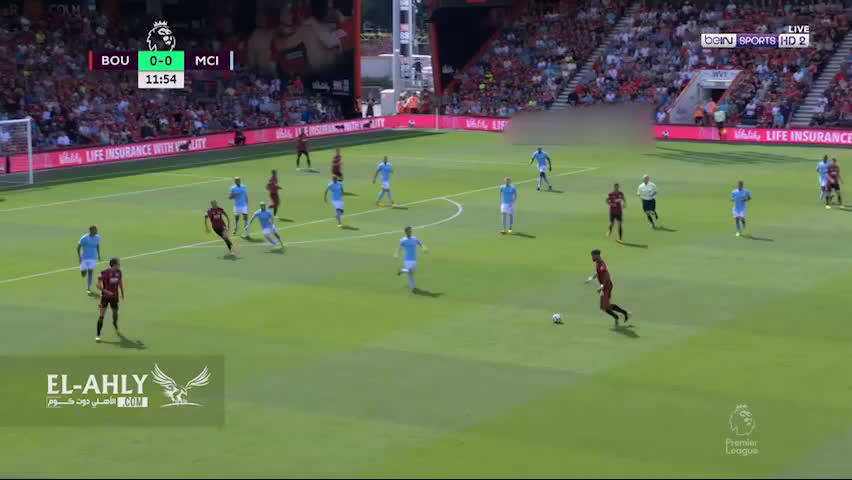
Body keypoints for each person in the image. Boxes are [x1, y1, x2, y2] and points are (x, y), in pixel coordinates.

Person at [586, 249, 630, 327]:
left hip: (607, 286)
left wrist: (602, 285)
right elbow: (598, 272)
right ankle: (621, 314)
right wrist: (592, 278)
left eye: (593, 256)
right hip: (605, 286)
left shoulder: (602, 264)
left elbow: (607, 275)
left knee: (605, 306)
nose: (592, 258)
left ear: (597, 255)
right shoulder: (598, 263)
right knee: (604, 307)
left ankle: (620, 315)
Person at [95, 257, 124, 342]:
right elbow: (97, 284)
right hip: (105, 297)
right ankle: (98, 335)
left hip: (114, 297)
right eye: (118, 264)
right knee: (101, 316)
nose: (119, 265)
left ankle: (114, 322)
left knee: (115, 313)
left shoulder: (119, 272)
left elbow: (120, 283)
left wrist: (122, 293)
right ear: (114, 265)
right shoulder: (104, 273)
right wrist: (105, 291)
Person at [395, 225, 427, 292]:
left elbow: (419, 243)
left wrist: (423, 247)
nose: (410, 232)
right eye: (409, 231)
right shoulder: (403, 240)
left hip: (414, 258)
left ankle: (402, 270)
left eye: (411, 231)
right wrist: (397, 253)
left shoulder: (414, 238)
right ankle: (413, 287)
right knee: (410, 272)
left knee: (412, 272)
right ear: (406, 232)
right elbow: (399, 248)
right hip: (407, 259)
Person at [77, 225, 101, 295]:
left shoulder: (97, 237)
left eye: (96, 230)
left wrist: (98, 255)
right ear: (91, 231)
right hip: (84, 258)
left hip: (93, 258)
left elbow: (97, 245)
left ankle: (88, 288)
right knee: (83, 274)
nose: (96, 231)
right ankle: (83, 271)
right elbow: (78, 247)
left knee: (90, 272)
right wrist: (79, 257)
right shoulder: (84, 238)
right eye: (95, 230)